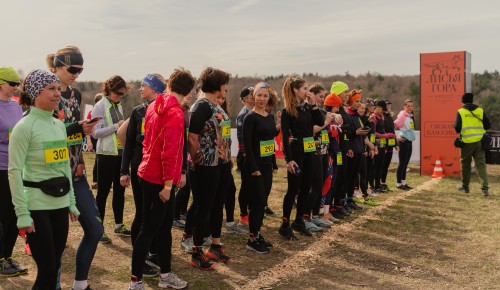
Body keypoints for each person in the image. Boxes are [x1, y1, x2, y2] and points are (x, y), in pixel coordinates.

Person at [9, 69, 80, 289]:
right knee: (47, 270)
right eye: (51, 88)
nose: (58, 93)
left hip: (60, 204)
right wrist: (22, 214)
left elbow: (64, 167)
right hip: (36, 206)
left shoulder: (59, 125)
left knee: (55, 266)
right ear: (35, 93)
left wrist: (71, 202)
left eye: (58, 88)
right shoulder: (24, 127)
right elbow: (14, 172)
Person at [128, 68, 195, 290]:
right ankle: (135, 282)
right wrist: (168, 184)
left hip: (150, 174)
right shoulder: (175, 114)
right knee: (148, 230)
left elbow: (147, 141)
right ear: (189, 91)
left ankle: (165, 276)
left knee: (164, 229)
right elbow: (170, 152)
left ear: (169, 84)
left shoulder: (152, 107)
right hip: (159, 180)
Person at [46, 46, 103, 290]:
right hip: (51, 173)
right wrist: (77, 128)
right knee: (57, 240)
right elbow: (44, 133)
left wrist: (80, 160)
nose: (76, 74)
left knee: (96, 228)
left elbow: (75, 133)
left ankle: (80, 284)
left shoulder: (76, 94)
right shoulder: (44, 90)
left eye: (80, 70)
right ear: (56, 66)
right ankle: (54, 285)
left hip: (75, 171)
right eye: (72, 69)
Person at [120, 73, 166, 277]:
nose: (140, 89)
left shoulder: (165, 109)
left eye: (144, 85)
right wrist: (124, 170)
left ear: (155, 88)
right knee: (142, 212)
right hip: (141, 167)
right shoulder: (138, 111)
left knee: (158, 214)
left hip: (161, 169)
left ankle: (154, 251)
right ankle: (140, 255)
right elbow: (128, 141)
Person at [188, 67, 232, 270]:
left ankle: (215, 245)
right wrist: (196, 158)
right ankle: (196, 251)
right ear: (217, 86)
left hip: (221, 163)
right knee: (204, 206)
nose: (226, 89)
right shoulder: (202, 106)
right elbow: (192, 136)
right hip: (206, 164)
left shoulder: (217, 106)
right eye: (224, 85)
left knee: (217, 204)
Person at [279, 76, 324, 240]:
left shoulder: (308, 108)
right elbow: (284, 138)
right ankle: (285, 224)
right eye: (304, 89)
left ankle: (299, 220)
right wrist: (288, 159)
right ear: (295, 90)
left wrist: (313, 105)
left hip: (310, 149)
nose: (307, 92)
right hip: (296, 150)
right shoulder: (287, 111)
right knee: (293, 189)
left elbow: (320, 121)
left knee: (306, 187)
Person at [92, 75, 130, 243]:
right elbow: (95, 133)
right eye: (117, 93)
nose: (119, 96)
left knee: (120, 191)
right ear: (108, 89)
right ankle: (98, 229)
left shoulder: (118, 105)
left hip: (119, 154)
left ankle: (119, 224)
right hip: (105, 154)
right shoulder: (99, 106)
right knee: (103, 193)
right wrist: (116, 126)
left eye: (122, 94)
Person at [242, 82, 278, 253]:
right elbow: (247, 146)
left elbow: (270, 141)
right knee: (257, 202)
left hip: (267, 165)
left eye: (265, 96)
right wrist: (253, 167)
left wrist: (274, 162)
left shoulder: (269, 117)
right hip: (255, 167)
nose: (262, 99)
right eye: (259, 95)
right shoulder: (250, 118)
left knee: (262, 203)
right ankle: (252, 239)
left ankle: (257, 233)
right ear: (253, 97)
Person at [0, 67, 28, 277]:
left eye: (17, 84)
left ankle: (6, 257)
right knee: (4, 216)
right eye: (12, 84)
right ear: (1, 83)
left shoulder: (17, 106)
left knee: (14, 213)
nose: (15, 88)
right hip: (0, 168)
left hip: (16, 167)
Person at [453, 93, 490, 196]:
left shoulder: (460, 111)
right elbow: (487, 125)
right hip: (479, 142)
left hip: (467, 143)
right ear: (472, 101)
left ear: (463, 101)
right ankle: (485, 188)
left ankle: (465, 187)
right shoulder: (480, 111)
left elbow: (457, 128)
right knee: (481, 165)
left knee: (466, 165)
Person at [236, 86, 254, 226]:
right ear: (244, 99)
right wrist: (245, 154)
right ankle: (243, 214)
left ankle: (251, 210)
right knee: (246, 186)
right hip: (246, 155)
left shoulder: (256, 112)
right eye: (251, 94)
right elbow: (241, 137)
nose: (254, 96)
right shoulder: (243, 114)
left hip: (256, 154)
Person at [393, 99, 416, 190]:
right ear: (404, 107)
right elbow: (393, 125)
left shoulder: (410, 116)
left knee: (406, 163)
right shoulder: (402, 116)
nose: (410, 108)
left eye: (411, 106)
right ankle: (398, 184)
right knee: (402, 163)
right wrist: (396, 137)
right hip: (403, 141)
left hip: (409, 141)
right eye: (408, 106)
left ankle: (404, 183)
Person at [87, 93, 103, 190]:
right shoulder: (92, 112)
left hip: (102, 135)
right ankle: (96, 181)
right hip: (95, 136)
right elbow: (88, 127)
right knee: (98, 159)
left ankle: (101, 181)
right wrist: (89, 141)